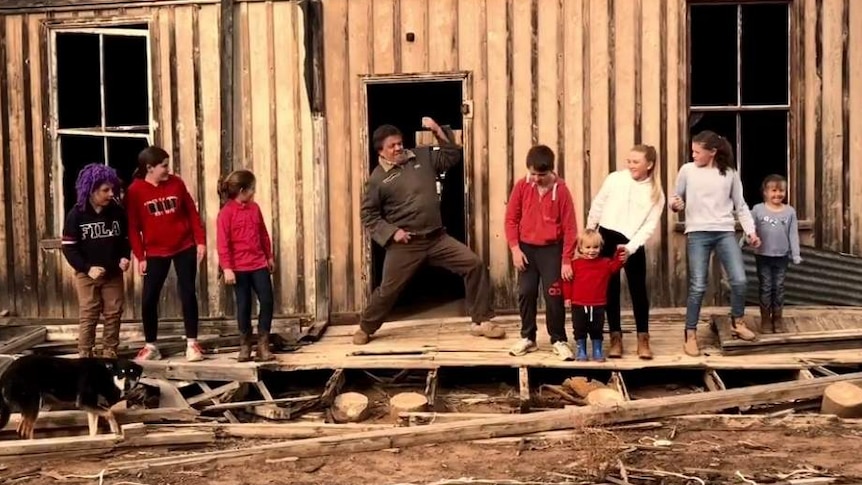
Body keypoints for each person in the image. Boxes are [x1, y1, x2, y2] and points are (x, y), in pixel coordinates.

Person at [354, 117, 504, 345]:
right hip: (406, 244)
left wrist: (436, 130)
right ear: (381, 151)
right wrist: (393, 232)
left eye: (399, 143)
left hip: (437, 238)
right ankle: (366, 326)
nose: (398, 148)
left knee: (474, 264)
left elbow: (452, 156)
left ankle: (481, 321)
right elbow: (368, 215)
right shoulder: (377, 179)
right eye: (392, 146)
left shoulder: (421, 157)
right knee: (388, 289)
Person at [670, 130, 761, 357]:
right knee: (698, 285)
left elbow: (741, 206)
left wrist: (751, 231)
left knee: (739, 280)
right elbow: (674, 198)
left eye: (697, 152)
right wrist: (676, 205)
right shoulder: (687, 171)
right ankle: (690, 334)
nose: (693, 155)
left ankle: (737, 322)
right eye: (692, 151)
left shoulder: (729, 173)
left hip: (724, 232)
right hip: (698, 233)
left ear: (712, 152)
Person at [125, 146, 207, 362]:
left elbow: (191, 211)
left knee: (188, 291)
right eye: (164, 166)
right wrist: (140, 256)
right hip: (155, 251)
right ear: (149, 168)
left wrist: (200, 241)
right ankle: (151, 345)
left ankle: (192, 344)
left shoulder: (176, 183)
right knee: (149, 298)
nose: (167, 170)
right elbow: (132, 227)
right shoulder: (135, 191)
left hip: (184, 246)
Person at [586, 144, 665, 359]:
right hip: (606, 237)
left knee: (638, 289)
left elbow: (648, 227)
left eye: (635, 162)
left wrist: (630, 248)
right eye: (628, 161)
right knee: (610, 289)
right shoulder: (615, 179)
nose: (630, 165)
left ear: (649, 165)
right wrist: (590, 231)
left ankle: (643, 338)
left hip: (631, 242)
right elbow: (598, 204)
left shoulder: (656, 193)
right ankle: (615, 337)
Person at [504, 145, 578, 361]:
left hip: (551, 249)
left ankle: (558, 339)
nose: (536, 178)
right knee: (526, 292)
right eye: (533, 173)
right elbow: (511, 219)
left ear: (551, 171)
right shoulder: (521, 186)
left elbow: (570, 228)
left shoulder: (562, 191)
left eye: (541, 175)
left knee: (553, 295)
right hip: (526, 248)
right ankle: (528, 337)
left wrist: (566, 260)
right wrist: (515, 248)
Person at [61, 164, 131, 359]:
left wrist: (125, 257)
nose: (111, 194)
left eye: (112, 189)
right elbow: (69, 247)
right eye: (105, 190)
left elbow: (126, 240)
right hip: (87, 274)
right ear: (91, 190)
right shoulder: (76, 215)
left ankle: (110, 352)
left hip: (113, 273)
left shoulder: (117, 211)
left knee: (114, 312)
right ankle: (85, 354)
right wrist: (86, 268)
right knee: (89, 313)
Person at [216, 169, 276, 362]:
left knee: (266, 300)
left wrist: (269, 256)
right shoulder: (226, 213)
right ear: (242, 190)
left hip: (258, 263)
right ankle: (245, 344)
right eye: (252, 189)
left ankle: (263, 343)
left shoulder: (254, 208)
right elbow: (222, 242)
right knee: (243, 306)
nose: (254, 193)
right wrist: (227, 267)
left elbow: (263, 234)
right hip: (239, 268)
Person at [560, 229, 626, 362]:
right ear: (580, 248)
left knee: (597, 327)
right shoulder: (575, 264)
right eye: (588, 247)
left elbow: (615, 266)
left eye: (595, 247)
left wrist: (620, 253)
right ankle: (581, 350)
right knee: (579, 328)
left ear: (600, 247)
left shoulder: (605, 263)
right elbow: (567, 281)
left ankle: (597, 350)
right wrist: (567, 297)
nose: (592, 250)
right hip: (578, 303)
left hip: (598, 303)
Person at [750, 174, 802, 333]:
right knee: (766, 286)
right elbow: (750, 229)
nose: (777, 194)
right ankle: (765, 320)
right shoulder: (757, 209)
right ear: (765, 192)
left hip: (782, 257)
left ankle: (777, 320)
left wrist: (796, 253)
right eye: (773, 191)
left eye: (781, 191)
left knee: (778, 287)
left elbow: (793, 234)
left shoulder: (789, 212)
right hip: (762, 255)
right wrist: (746, 241)